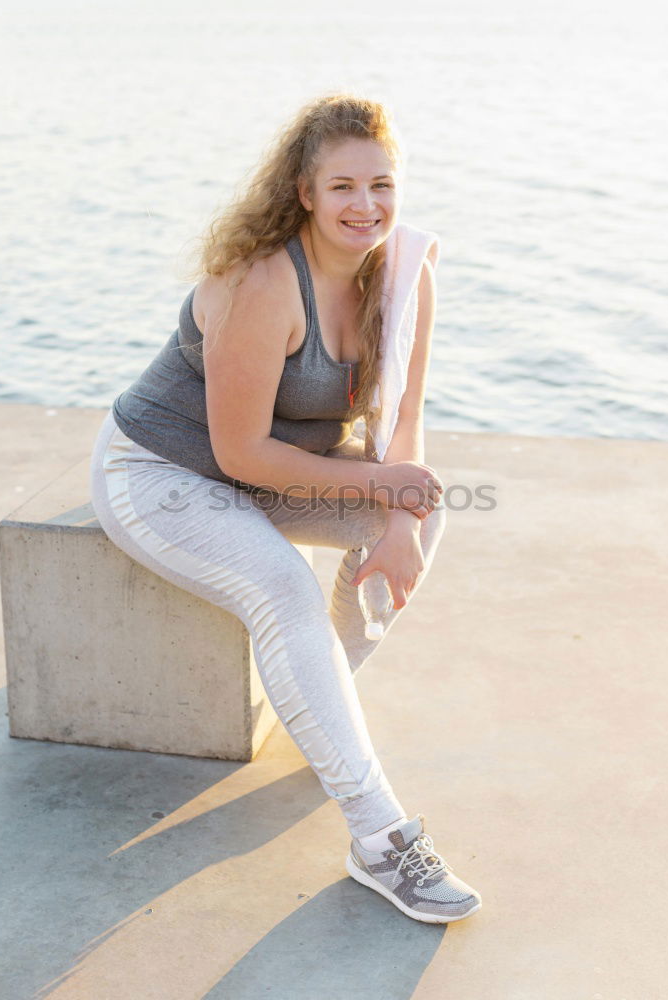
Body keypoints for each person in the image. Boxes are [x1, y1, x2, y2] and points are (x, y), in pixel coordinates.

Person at [89, 93, 482, 924]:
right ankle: (380, 840)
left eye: (382, 184)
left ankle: (323, 703)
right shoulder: (263, 279)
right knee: (286, 590)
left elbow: (404, 427)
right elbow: (238, 455)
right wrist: (387, 488)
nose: (365, 206)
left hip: (270, 472)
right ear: (304, 191)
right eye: (342, 186)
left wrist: (402, 517)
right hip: (163, 472)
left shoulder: (406, 273)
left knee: (425, 511)